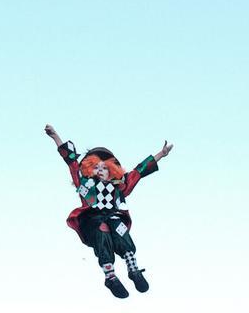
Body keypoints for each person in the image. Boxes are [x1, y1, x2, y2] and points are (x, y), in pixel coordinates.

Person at [45, 123, 173, 298]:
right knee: (102, 229)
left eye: (104, 167)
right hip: (93, 220)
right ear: (89, 169)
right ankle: (110, 275)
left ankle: (133, 268)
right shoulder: (84, 184)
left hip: (113, 218)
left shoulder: (119, 187)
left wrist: (160, 155)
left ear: (111, 171)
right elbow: (72, 162)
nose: (100, 170)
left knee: (119, 228)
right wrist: (56, 137)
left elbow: (138, 172)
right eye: (95, 167)